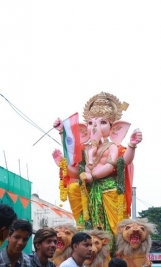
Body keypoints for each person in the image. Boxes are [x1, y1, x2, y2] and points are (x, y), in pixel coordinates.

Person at [53, 92, 143, 235]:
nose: (95, 127)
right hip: (88, 191)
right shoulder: (84, 149)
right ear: (83, 129)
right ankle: (83, 233)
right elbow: (77, 171)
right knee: (74, 188)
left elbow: (120, 162)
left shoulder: (112, 147)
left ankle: (115, 245)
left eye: (102, 122)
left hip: (109, 189)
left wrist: (132, 145)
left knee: (113, 227)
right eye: (90, 123)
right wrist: (64, 163)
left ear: (114, 128)